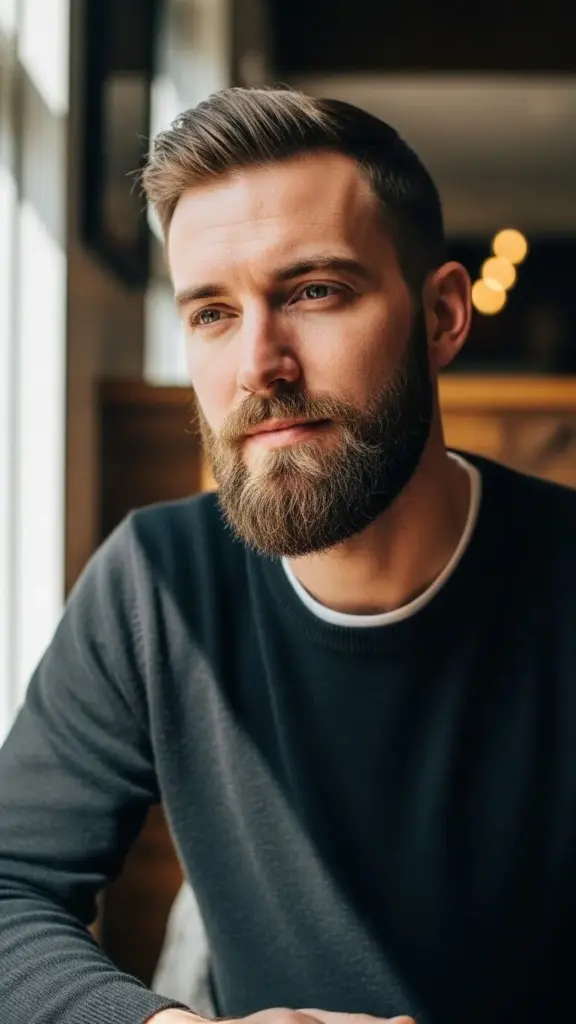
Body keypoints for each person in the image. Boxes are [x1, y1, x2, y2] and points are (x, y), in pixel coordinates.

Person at [0, 87, 575, 1024]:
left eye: (314, 292)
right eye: (213, 313)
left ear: (441, 318)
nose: (259, 363)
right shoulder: (158, 583)